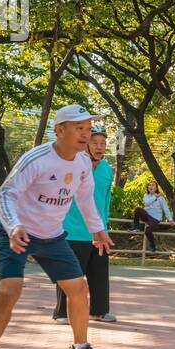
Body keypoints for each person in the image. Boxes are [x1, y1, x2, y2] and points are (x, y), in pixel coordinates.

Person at [0, 104, 114, 349]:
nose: (86, 135)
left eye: (88, 129)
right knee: (9, 290)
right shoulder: (36, 159)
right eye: (79, 128)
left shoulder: (82, 164)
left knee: (78, 289)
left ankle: (79, 348)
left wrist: (97, 229)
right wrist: (14, 225)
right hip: (17, 231)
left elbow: (85, 198)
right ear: (59, 130)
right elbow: (5, 195)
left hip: (52, 235)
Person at [54, 123, 116, 323]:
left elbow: (105, 202)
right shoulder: (74, 164)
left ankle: (99, 310)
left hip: (98, 232)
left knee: (99, 272)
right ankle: (62, 312)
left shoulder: (107, 170)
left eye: (103, 143)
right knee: (70, 274)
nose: (99, 147)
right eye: (94, 142)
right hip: (72, 229)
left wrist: (104, 227)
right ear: (86, 144)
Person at [133, 180, 172, 253]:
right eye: (149, 185)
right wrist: (155, 197)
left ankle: (152, 245)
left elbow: (165, 208)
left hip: (155, 218)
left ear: (156, 188)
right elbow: (147, 203)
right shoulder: (146, 195)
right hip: (147, 215)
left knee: (148, 231)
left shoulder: (160, 198)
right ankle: (136, 227)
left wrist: (170, 219)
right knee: (137, 209)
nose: (151, 186)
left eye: (153, 185)